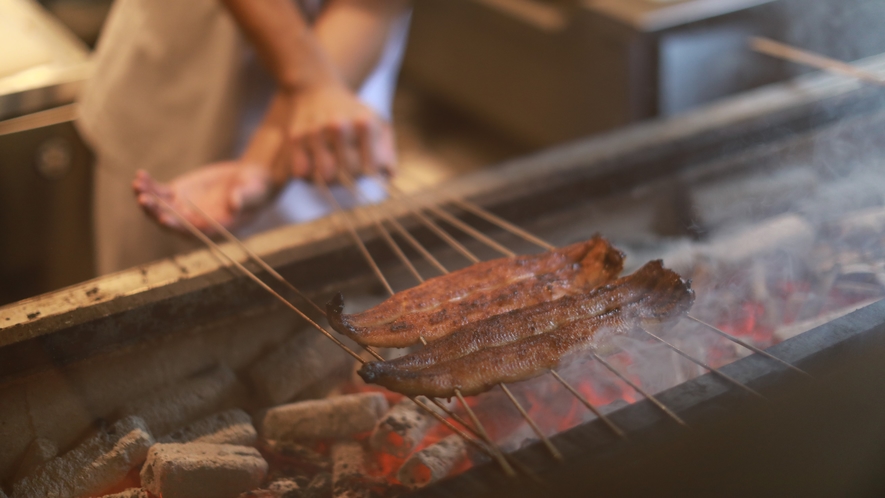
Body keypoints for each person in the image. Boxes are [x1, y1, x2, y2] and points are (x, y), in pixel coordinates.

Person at [77, 0, 411, 274]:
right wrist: (313, 83)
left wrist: (265, 160)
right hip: (174, 97)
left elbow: (368, 6)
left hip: (336, 110)